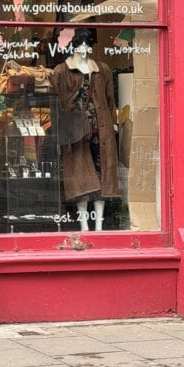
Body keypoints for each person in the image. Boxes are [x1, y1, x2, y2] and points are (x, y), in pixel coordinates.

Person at [51, 28, 119, 230]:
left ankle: (98, 224)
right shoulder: (62, 71)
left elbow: (109, 98)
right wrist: (59, 130)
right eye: (80, 44)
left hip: (101, 127)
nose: (84, 48)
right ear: (73, 45)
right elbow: (57, 103)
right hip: (76, 131)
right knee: (79, 174)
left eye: (87, 44)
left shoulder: (102, 69)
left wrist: (113, 122)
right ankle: (83, 224)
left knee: (102, 172)